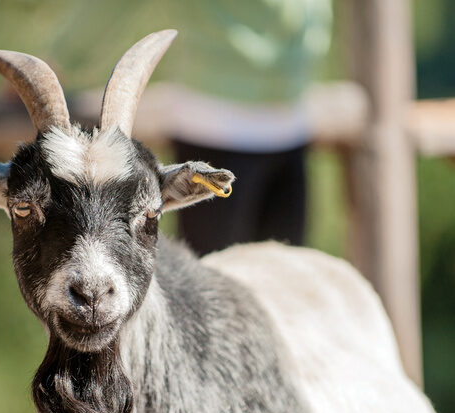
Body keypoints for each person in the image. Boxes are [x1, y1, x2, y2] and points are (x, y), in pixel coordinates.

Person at [46, 0, 332, 254]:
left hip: (292, 123)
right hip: (216, 125)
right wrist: (54, 64)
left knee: (281, 286)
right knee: (214, 284)